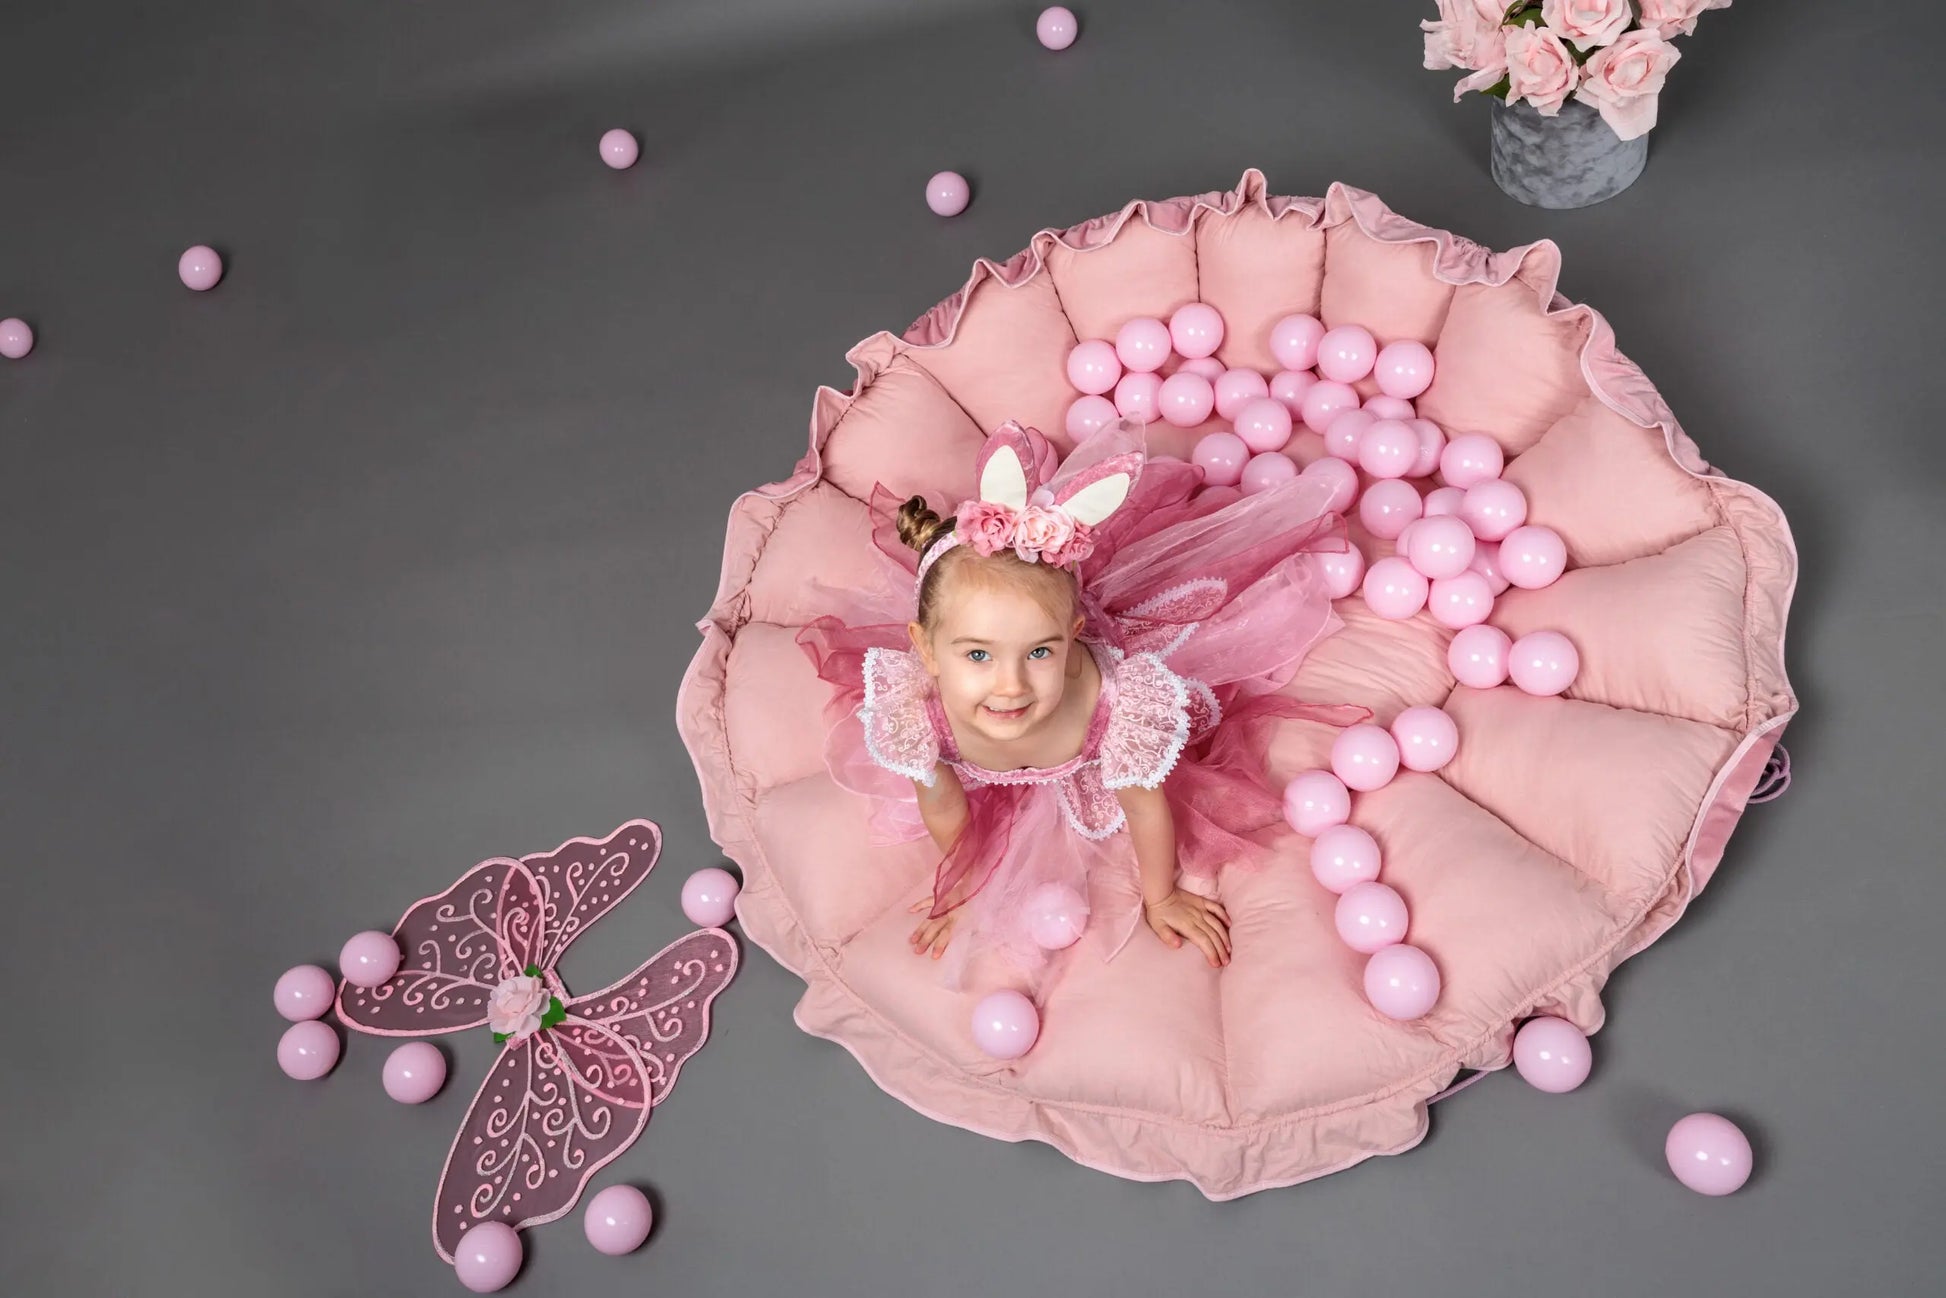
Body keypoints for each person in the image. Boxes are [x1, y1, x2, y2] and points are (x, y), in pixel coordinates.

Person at [798, 419, 1365, 992]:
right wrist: (962, 885)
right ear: (926, 653)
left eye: (1039, 651)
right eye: (977, 656)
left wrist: (1162, 896)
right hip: (975, 659)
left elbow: (1145, 809)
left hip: (1094, 713)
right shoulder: (917, 714)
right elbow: (944, 807)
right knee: (986, 624)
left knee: (1203, 680)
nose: (1010, 686)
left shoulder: (1119, 708)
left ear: (1072, 642)